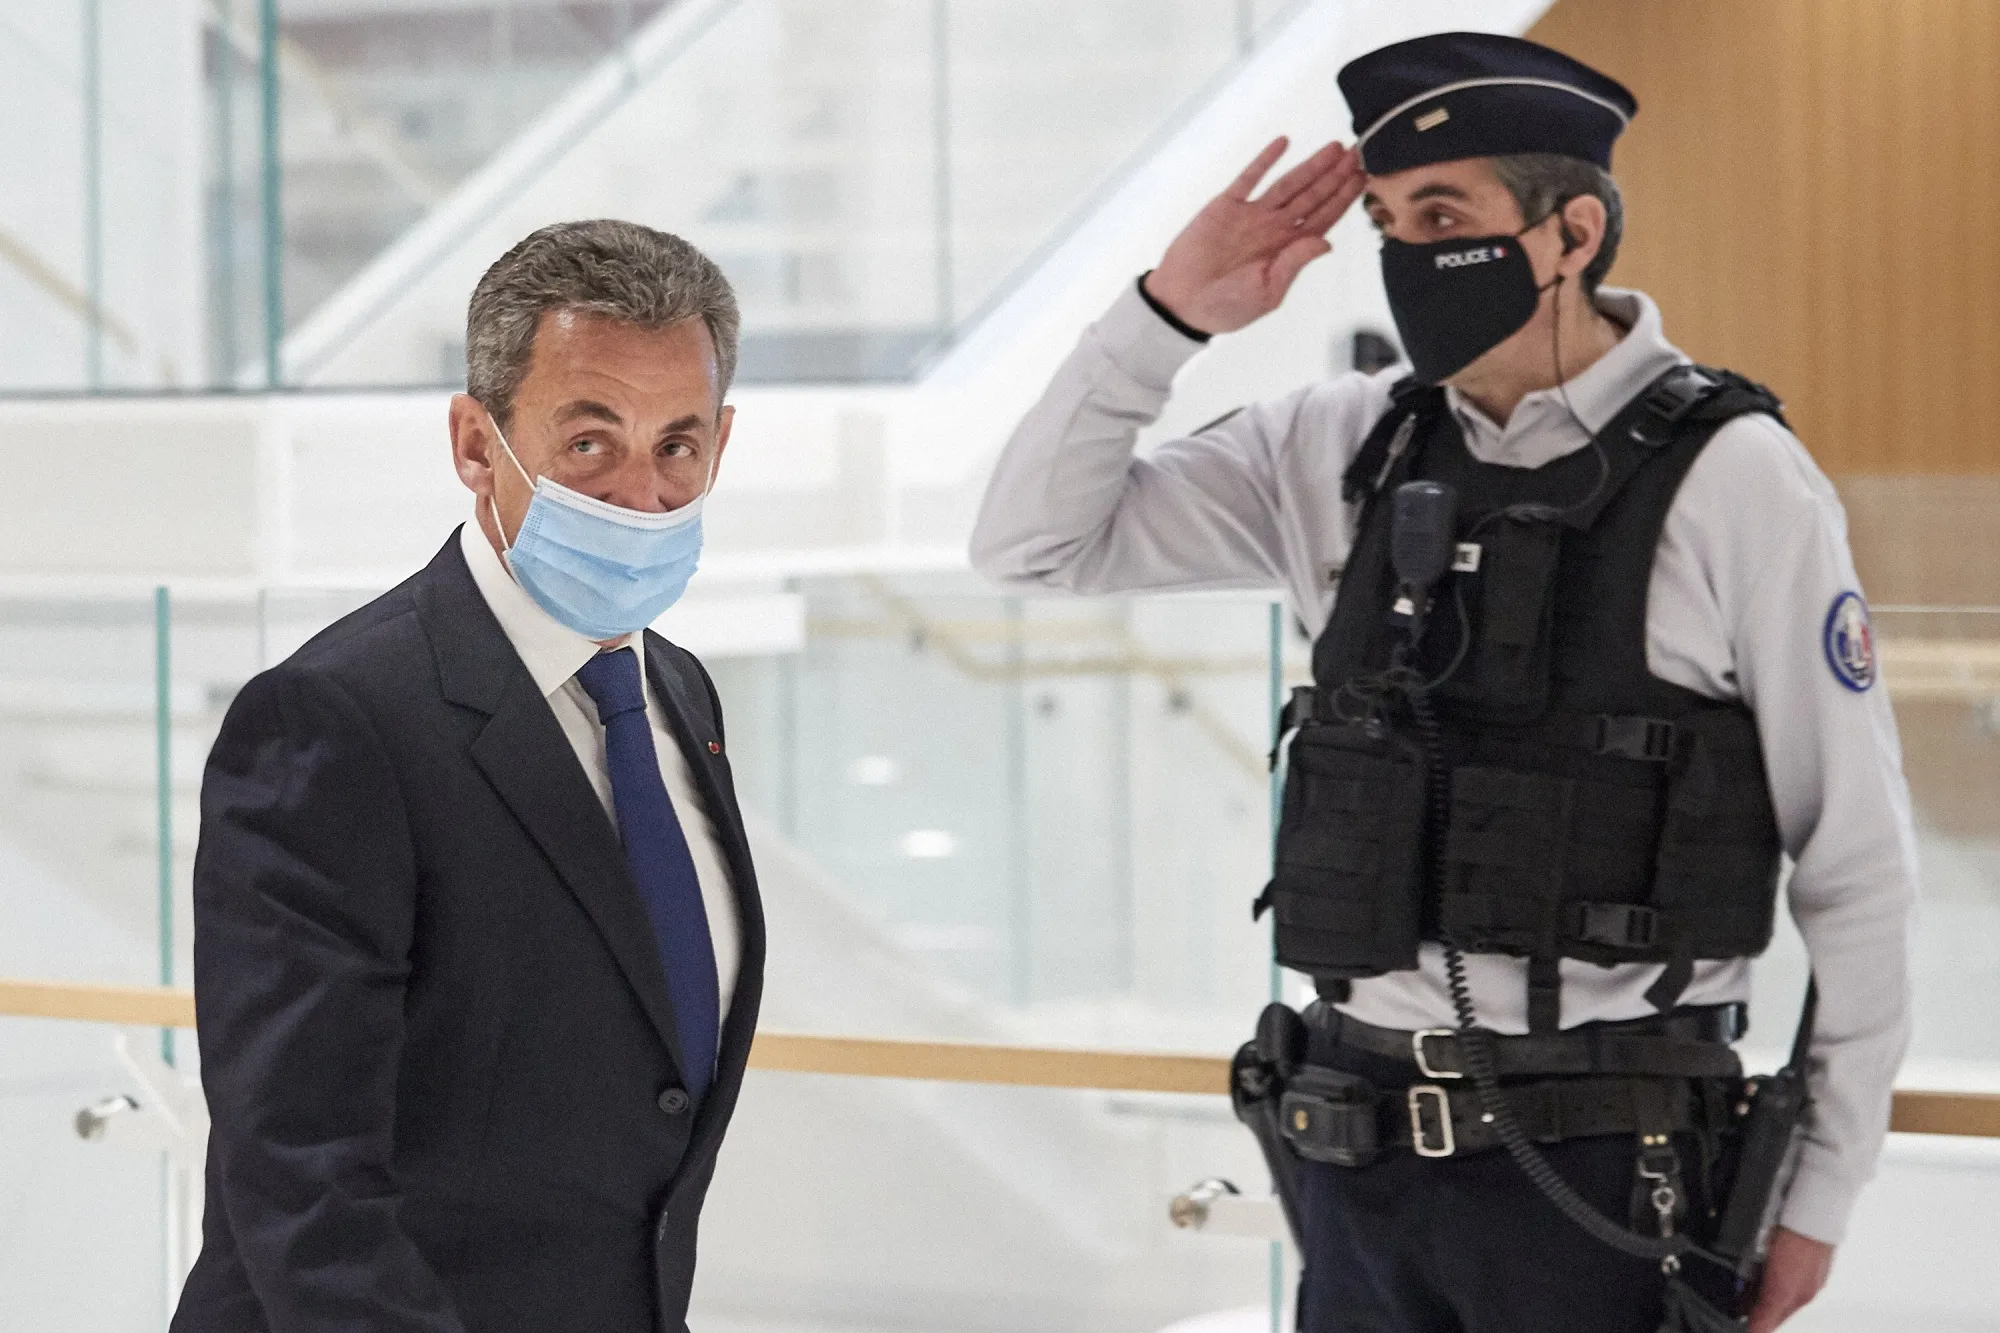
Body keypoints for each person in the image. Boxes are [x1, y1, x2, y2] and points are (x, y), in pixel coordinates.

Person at [971, 31, 1914, 1333]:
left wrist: (1818, 1195)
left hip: (1604, 1177)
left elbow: (1856, 866)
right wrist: (1166, 314)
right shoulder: (1338, 442)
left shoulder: (1736, 478)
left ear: (1572, 231)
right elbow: (1030, 545)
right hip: (1352, 1168)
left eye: (1444, 214)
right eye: (1385, 220)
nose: (1409, 252)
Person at [172, 220, 763, 1333]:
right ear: (475, 443)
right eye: (591, 442)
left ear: (721, 443)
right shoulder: (334, 721)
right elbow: (302, 1174)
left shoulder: (678, 693)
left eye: (677, 445)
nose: (644, 496)